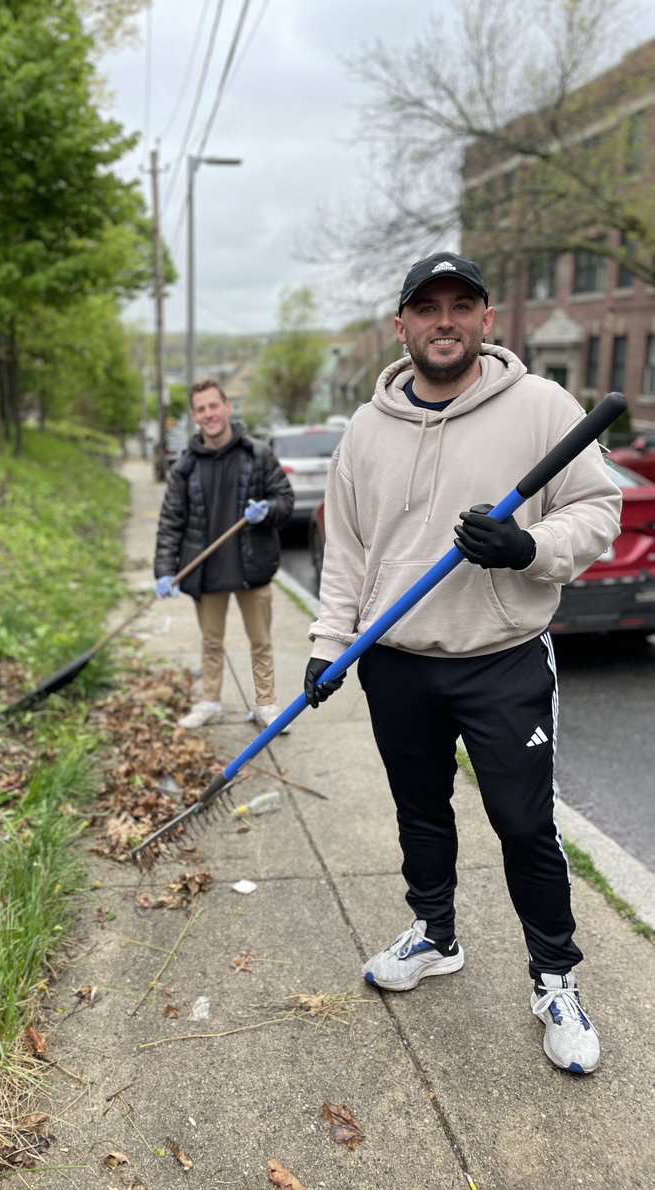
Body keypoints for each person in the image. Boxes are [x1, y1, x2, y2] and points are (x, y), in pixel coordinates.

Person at [303, 251, 622, 1075]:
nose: (444, 321)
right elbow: (347, 550)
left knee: (524, 826)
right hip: (397, 663)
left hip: (502, 660)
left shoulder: (542, 407)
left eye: (461, 305)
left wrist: (527, 546)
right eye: (427, 307)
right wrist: (327, 646)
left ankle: (554, 979)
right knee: (420, 814)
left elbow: (598, 509)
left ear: (486, 320)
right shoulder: (365, 430)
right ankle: (435, 935)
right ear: (401, 324)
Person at [154, 379, 294, 730]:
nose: (208, 414)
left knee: (260, 642)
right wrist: (163, 570)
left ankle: (266, 705)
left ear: (227, 407)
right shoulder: (185, 467)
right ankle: (210, 702)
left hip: (252, 564)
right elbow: (170, 521)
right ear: (194, 416)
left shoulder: (257, 454)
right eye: (201, 409)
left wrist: (269, 509)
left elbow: (285, 500)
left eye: (213, 406)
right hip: (206, 569)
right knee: (211, 643)